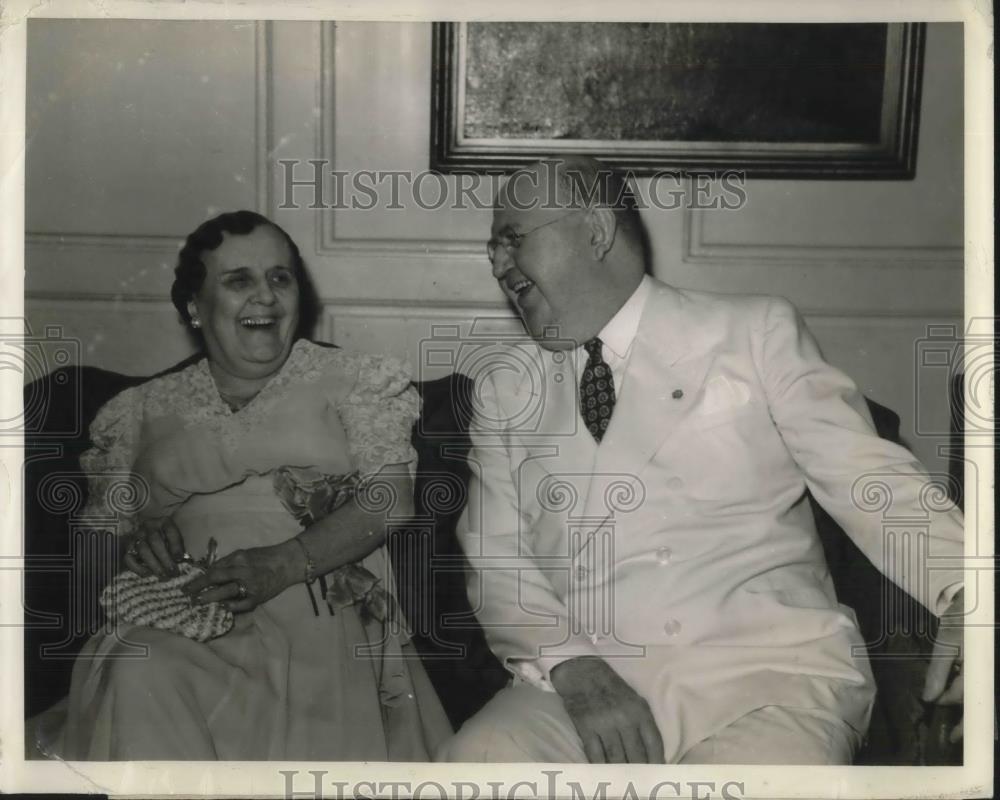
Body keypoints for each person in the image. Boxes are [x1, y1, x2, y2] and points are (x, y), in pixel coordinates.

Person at [436, 156, 965, 764]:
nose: (499, 265)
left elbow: (869, 479)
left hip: (767, 683)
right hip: (578, 686)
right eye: (492, 249)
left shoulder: (752, 332)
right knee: (475, 763)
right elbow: (495, 559)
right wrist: (574, 668)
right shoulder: (506, 390)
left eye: (511, 239)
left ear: (596, 230)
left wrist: (967, 590)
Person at [50, 210, 451, 760]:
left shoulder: (354, 380)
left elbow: (390, 503)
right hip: (186, 614)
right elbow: (92, 559)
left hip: (311, 608)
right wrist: (134, 546)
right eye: (239, 280)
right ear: (195, 305)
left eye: (280, 278)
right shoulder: (137, 412)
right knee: (140, 664)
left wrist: (282, 563)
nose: (265, 296)